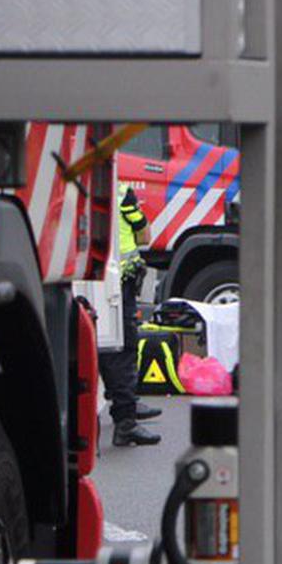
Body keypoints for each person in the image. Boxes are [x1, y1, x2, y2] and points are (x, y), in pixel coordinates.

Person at [99, 188, 161, 446]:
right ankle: (126, 421)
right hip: (117, 281)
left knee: (105, 347)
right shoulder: (124, 194)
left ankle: (127, 407)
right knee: (122, 348)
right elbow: (145, 236)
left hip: (101, 278)